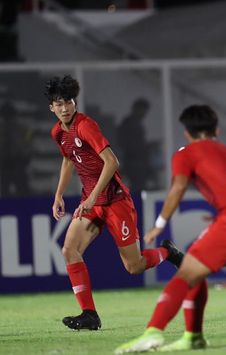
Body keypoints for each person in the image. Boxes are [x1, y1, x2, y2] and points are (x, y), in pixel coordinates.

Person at [115, 105, 226, 353]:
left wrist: (159, 224)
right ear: (217, 130)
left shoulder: (186, 153)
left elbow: (178, 187)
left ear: (187, 133)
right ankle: (193, 336)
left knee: (184, 275)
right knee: (194, 268)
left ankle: (153, 332)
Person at [45, 75, 183, 331]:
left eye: (68, 102)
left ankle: (168, 253)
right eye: (58, 103)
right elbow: (68, 160)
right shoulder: (57, 132)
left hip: (115, 201)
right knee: (69, 250)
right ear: (51, 107)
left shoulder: (85, 126)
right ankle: (89, 315)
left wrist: (93, 197)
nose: (64, 108)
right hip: (93, 201)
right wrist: (59, 194)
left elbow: (112, 162)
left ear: (75, 102)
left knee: (134, 266)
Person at [117, 98, 156, 192]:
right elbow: (129, 145)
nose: (144, 114)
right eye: (142, 110)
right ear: (136, 109)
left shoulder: (135, 124)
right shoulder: (129, 124)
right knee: (136, 189)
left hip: (138, 162)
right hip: (134, 163)